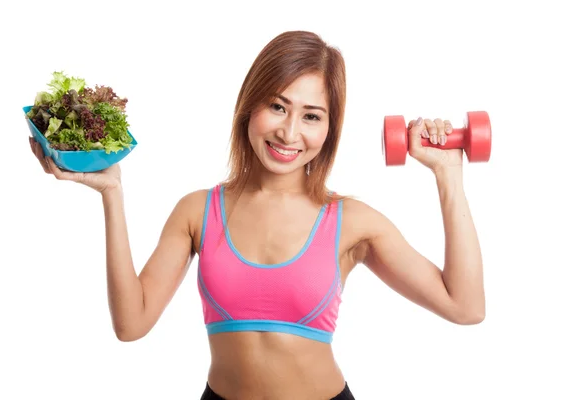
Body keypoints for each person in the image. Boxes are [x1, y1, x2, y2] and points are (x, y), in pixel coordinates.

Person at [28, 30, 485, 400]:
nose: (289, 131)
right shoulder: (196, 212)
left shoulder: (352, 222)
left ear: (329, 128)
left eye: (312, 116)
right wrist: (113, 194)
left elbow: (465, 307)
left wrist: (448, 175)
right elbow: (131, 325)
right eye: (278, 106)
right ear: (251, 105)